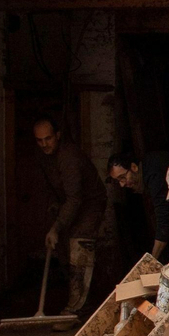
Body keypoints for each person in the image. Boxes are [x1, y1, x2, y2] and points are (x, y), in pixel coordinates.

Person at [34, 118, 107, 314]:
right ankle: (84, 302)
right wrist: (53, 209)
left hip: (89, 204)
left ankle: (75, 308)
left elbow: (75, 198)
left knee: (79, 247)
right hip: (68, 203)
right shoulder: (44, 157)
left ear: (57, 135)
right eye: (39, 140)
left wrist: (56, 227)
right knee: (64, 250)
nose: (44, 144)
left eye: (48, 138)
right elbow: (51, 188)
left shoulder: (69, 157)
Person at [107, 150, 169, 259]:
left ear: (134, 167)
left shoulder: (153, 174)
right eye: (118, 181)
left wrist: (152, 259)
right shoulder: (147, 167)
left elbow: (164, 219)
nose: (122, 184)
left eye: (122, 177)